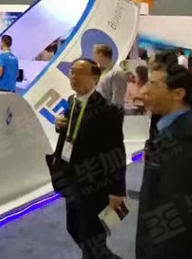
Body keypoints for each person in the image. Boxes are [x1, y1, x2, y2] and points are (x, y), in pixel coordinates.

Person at [53, 59, 125, 259]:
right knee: (73, 226)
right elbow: (70, 133)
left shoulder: (107, 110)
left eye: (79, 73)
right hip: (71, 176)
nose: (73, 76)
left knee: (92, 233)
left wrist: (117, 190)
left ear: (95, 78)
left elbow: (116, 151)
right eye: (72, 72)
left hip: (94, 180)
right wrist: (59, 125)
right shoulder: (72, 101)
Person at [136, 62, 192, 259]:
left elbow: (177, 208)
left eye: (153, 84)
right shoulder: (167, 127)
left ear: (178, 93)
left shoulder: (190, 139)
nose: (144, 91)